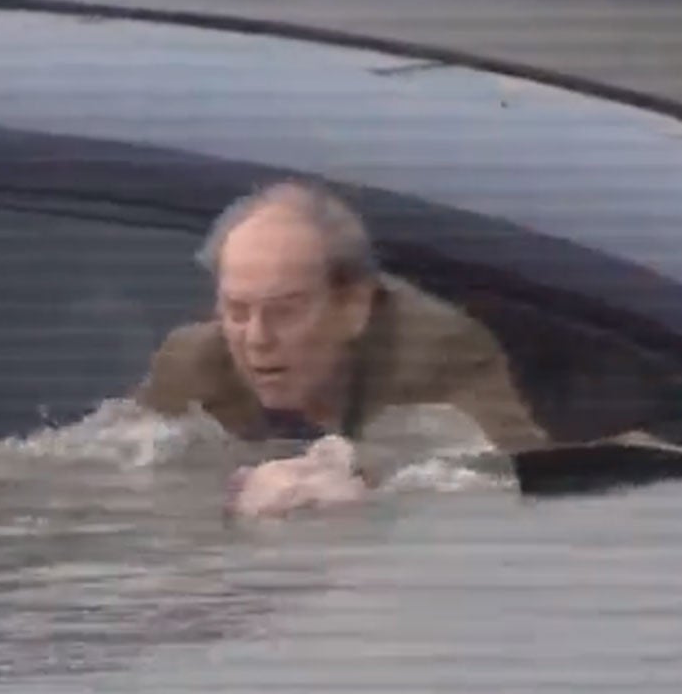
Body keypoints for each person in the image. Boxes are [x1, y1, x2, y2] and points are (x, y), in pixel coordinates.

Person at [132, 179, 552, 517]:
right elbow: (115, 466)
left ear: (354, 307)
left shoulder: (436, 349)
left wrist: (367, 477)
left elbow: (513, 477)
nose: (257, 338)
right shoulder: (194, 362)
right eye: (237, 311)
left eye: (284, 312)